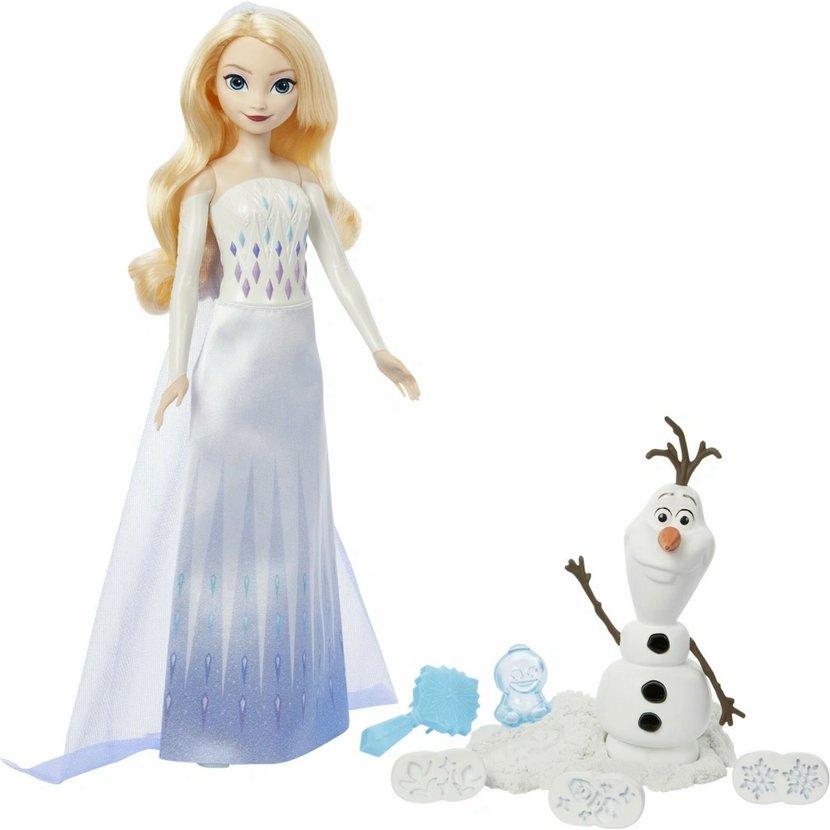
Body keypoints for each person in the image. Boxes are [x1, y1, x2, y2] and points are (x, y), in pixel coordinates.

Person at [8, 3, 417, 782]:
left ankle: (294, 707)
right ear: (212, 88)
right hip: (231, 362)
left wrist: (379, 348)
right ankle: (215, 719)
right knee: (223, 524)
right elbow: (190, 294)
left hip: (297, 368)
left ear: (303, 92)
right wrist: (177, 369)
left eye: (280, 84)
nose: (259, 99)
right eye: (240, 81)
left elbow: (338, 272)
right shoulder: (206, 183)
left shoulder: (302, 181)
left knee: (296, 517)